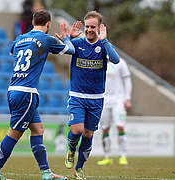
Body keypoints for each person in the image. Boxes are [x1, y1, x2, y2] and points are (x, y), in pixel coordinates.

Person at [0, 10, 75, 180]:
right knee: (14, 133)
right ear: (48, 24)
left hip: (14, 89)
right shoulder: (46, 39)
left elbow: (13, 52)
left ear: (33, 22)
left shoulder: (19, 39)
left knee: (37, 129)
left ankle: (46, 173)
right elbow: (70, 50)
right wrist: (67, 39)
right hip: (26, 93)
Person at [56, 11, 120, 179]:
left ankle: (79, 168)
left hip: (96, 99)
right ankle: (70, 149)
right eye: (88, 26)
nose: (89, 29)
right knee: (77, 130)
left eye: (93, 27)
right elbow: (66, 49)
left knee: (88, 134)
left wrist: (104, 40)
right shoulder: (77, 43)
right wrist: (67, 39)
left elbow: (116, 60)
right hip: (77, 96)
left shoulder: (103, 45)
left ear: (99, 28)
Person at [97, 58, 132, 166]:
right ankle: (107, 156)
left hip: (118, 100)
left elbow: (127, 80)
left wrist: (127, 98)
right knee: (105, 128)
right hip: (104, 100)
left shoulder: (121, 62)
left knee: (120, 126)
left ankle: (123, 155)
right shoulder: (99, 61)